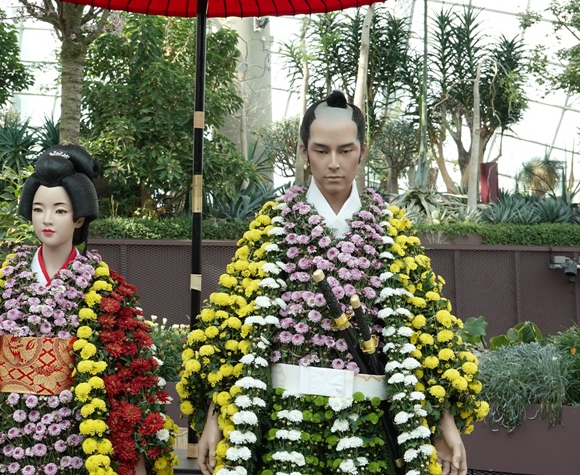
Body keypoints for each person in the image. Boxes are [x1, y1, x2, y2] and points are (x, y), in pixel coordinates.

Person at [178, 91, 489, 475]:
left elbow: (422, 329)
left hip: (371, 427)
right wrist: (214, 416)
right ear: (305, 152)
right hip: (282, 425)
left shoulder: (391, 229)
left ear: (362, 150)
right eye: (321, 151)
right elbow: (232, 330)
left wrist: (444, 422)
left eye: (345, 150)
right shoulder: (273, 225)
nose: (334, 164)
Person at [0, 145, 177, 475]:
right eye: (39, 209)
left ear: (79, 217)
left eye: (59, 210)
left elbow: (129, 373)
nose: (46, 219)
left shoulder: (105, 287)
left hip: (72, 435)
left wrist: (135, 456)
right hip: (4, 431)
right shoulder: (0, 277)